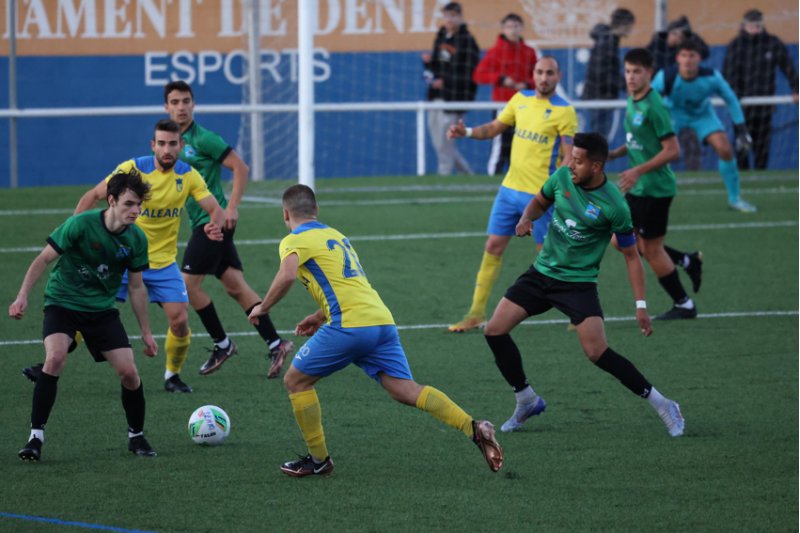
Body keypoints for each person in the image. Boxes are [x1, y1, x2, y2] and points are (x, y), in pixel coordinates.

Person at [247, 184, 503, 477]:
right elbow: (351, 285)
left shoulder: (293, 240)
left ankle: (318, 460)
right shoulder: (337, 236)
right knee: (405, 390)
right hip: (381, 322)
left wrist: (263, 307)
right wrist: (319, 315)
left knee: (296, 381)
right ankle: (473, 427)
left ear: (285, 214)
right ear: (316, 210)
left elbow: (287, 275)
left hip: (349, 325)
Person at [482, 132, 685, 437]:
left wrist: (641, 305)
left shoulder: (615, 205)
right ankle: (526, 399)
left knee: (596, 352)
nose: (570, 164)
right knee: (494, 330)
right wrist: (526, 218)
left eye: (578, 161)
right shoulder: (562, 177)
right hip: (541, 274)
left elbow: (632, 257)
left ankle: (663, 404)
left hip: (577, 284)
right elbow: (539, 202)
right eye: (571, 158)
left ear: (597, 166)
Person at [10, 170, 160, 461]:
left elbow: (137, 287)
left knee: (130, 374)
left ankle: (137, 437)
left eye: (139, 204)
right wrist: (22, 296)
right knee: (55, 358)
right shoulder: (80, 224)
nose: (136, 210)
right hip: (63, 303)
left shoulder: (136, 239)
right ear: (112, 200)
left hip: (101, 311)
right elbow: (43, 258)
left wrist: (146, 332)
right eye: (129, 204)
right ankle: (35, 438)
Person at [163, 81, 294, 378]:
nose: (181, 107)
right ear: (166, 107)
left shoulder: (204, 138)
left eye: (186, 101)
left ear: (194, 104)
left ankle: (222, 344)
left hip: (213, 223)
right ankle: (276, 343)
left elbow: (241, 167)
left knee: (187, 287)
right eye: (175, 102)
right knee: (235, 286)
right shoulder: (171, 142)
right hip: (202, 222)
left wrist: (231, 207)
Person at [446, 56, 577, 332]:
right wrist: (465, 131)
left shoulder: (565, 111)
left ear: (558, 76)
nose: (544, 78)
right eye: (540, 72)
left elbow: (568, 157)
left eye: (549, 73)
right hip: (508, 191)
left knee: (548, 257)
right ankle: (476, 313)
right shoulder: (520, 99)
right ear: (533, 74)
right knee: (493, 246)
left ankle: (578, 313)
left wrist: (552, 190)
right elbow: (494, 128)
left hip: (538, 197)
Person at [608, 48, 702, 320]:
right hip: (638, 188)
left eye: (637, 72)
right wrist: (615, 153)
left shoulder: (654, 105)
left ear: (649, 73)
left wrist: (637, 170)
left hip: (655, 190)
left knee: (650, 249)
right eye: (628, 71)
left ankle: (684, 304)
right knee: (619, 240)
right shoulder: (632, 99)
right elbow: (638, 141)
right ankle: (685, 260)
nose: (631, 77)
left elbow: (673, 150)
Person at [652, 38, 757, 212]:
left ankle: (735, 199)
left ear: (699, 58)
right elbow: (649, 100)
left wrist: (742, 129)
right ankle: (653, 198)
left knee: (725, 149)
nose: (687, 60)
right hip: (673, 114)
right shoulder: (665, 76)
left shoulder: (712, 77)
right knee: (658, 153)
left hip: (702, 115)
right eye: (683, 55)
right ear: (677, 58)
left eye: (692, 55)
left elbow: (731, 99)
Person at [723, 9, 800, 170]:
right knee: (742, 145)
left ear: (762, 25)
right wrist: (733, 94)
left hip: (764, 105)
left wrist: (796, 88)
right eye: (751, 25)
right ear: (744, 25)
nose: (754, 28)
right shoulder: (735, 45)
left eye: (757, 25)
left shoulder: (772, 43)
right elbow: (727, 73)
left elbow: (788, 67)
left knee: (762, 146)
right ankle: (742, 175)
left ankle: (760, 173)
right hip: (740, 106)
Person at [472, 13, 538, 175]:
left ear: (522, 28)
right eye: (509, 26)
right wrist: (501, 79)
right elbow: (479, 75)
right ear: (503, 29)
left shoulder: (529, 52)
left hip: (526, 106)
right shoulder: (495, 52)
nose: (513, 30)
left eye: (516, 26)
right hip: (503, 105)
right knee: (500, 144)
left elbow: (538, 76)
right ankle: (493, 176)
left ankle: (520, 177)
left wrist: (527, 84)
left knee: (523, 144)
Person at [422, 1, 480, 176]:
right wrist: (429, 63)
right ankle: (467, 174)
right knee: (439, 142)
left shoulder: (468, 41)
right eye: (447, 16)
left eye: (454, 16)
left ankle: (444, 176)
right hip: (435, 96)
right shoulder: (440, 37)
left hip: (454, 99)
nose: (450, 19)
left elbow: (469, 72)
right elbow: (437, 67)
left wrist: (446, 82)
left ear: (460, 18)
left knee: (446, 140)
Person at [646, 15, 710, 171]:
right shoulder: (656, 45)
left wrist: (690, 36)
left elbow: (705, 52)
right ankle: (658, 172)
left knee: (691, 141)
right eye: (674, 34)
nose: (676, 38)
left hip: (681, 105)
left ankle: (694, 172)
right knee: (659, 143)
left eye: (680, 35)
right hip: (660, 104)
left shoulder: (684, 51)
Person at [582, 8, 635, 141]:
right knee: (599, 138)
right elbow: (603, 72)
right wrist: (626, 85)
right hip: (600, 98)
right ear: (624, 25)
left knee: (598, 137)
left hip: (599, 96)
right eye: (630, 26)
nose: (631, 30)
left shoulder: (607, 38)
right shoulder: (608, 41)